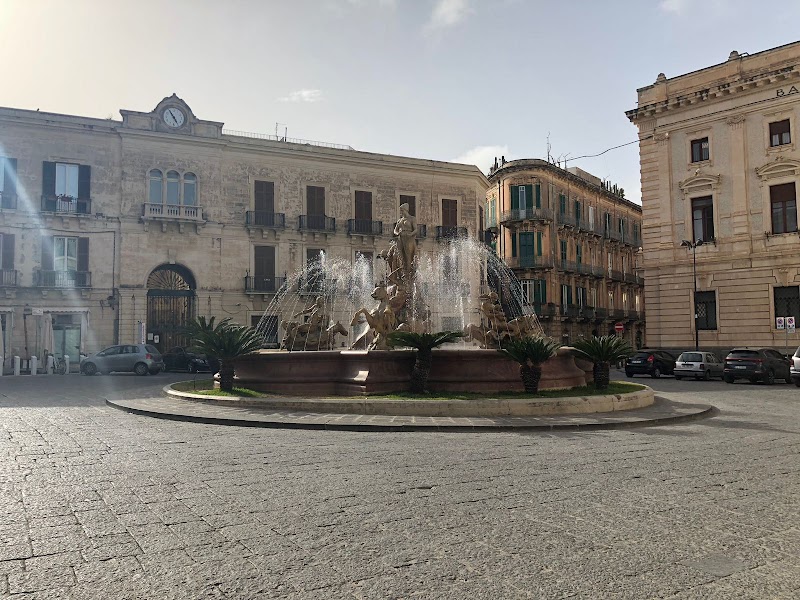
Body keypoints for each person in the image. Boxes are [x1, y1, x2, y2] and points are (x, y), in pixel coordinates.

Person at [393, 203, 417, 275]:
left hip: (409, 238)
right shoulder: (399, 220)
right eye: (400, 211)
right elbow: (395, 230)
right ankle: (402, 270)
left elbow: (416, 229)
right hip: (401, 238)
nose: (401, 212)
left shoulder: (412, 219)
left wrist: (411, 234)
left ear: (406, 210)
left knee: (408, 255)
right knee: (399, 254)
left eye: (402, 210)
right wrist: (397, 233)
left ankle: (408, 272)